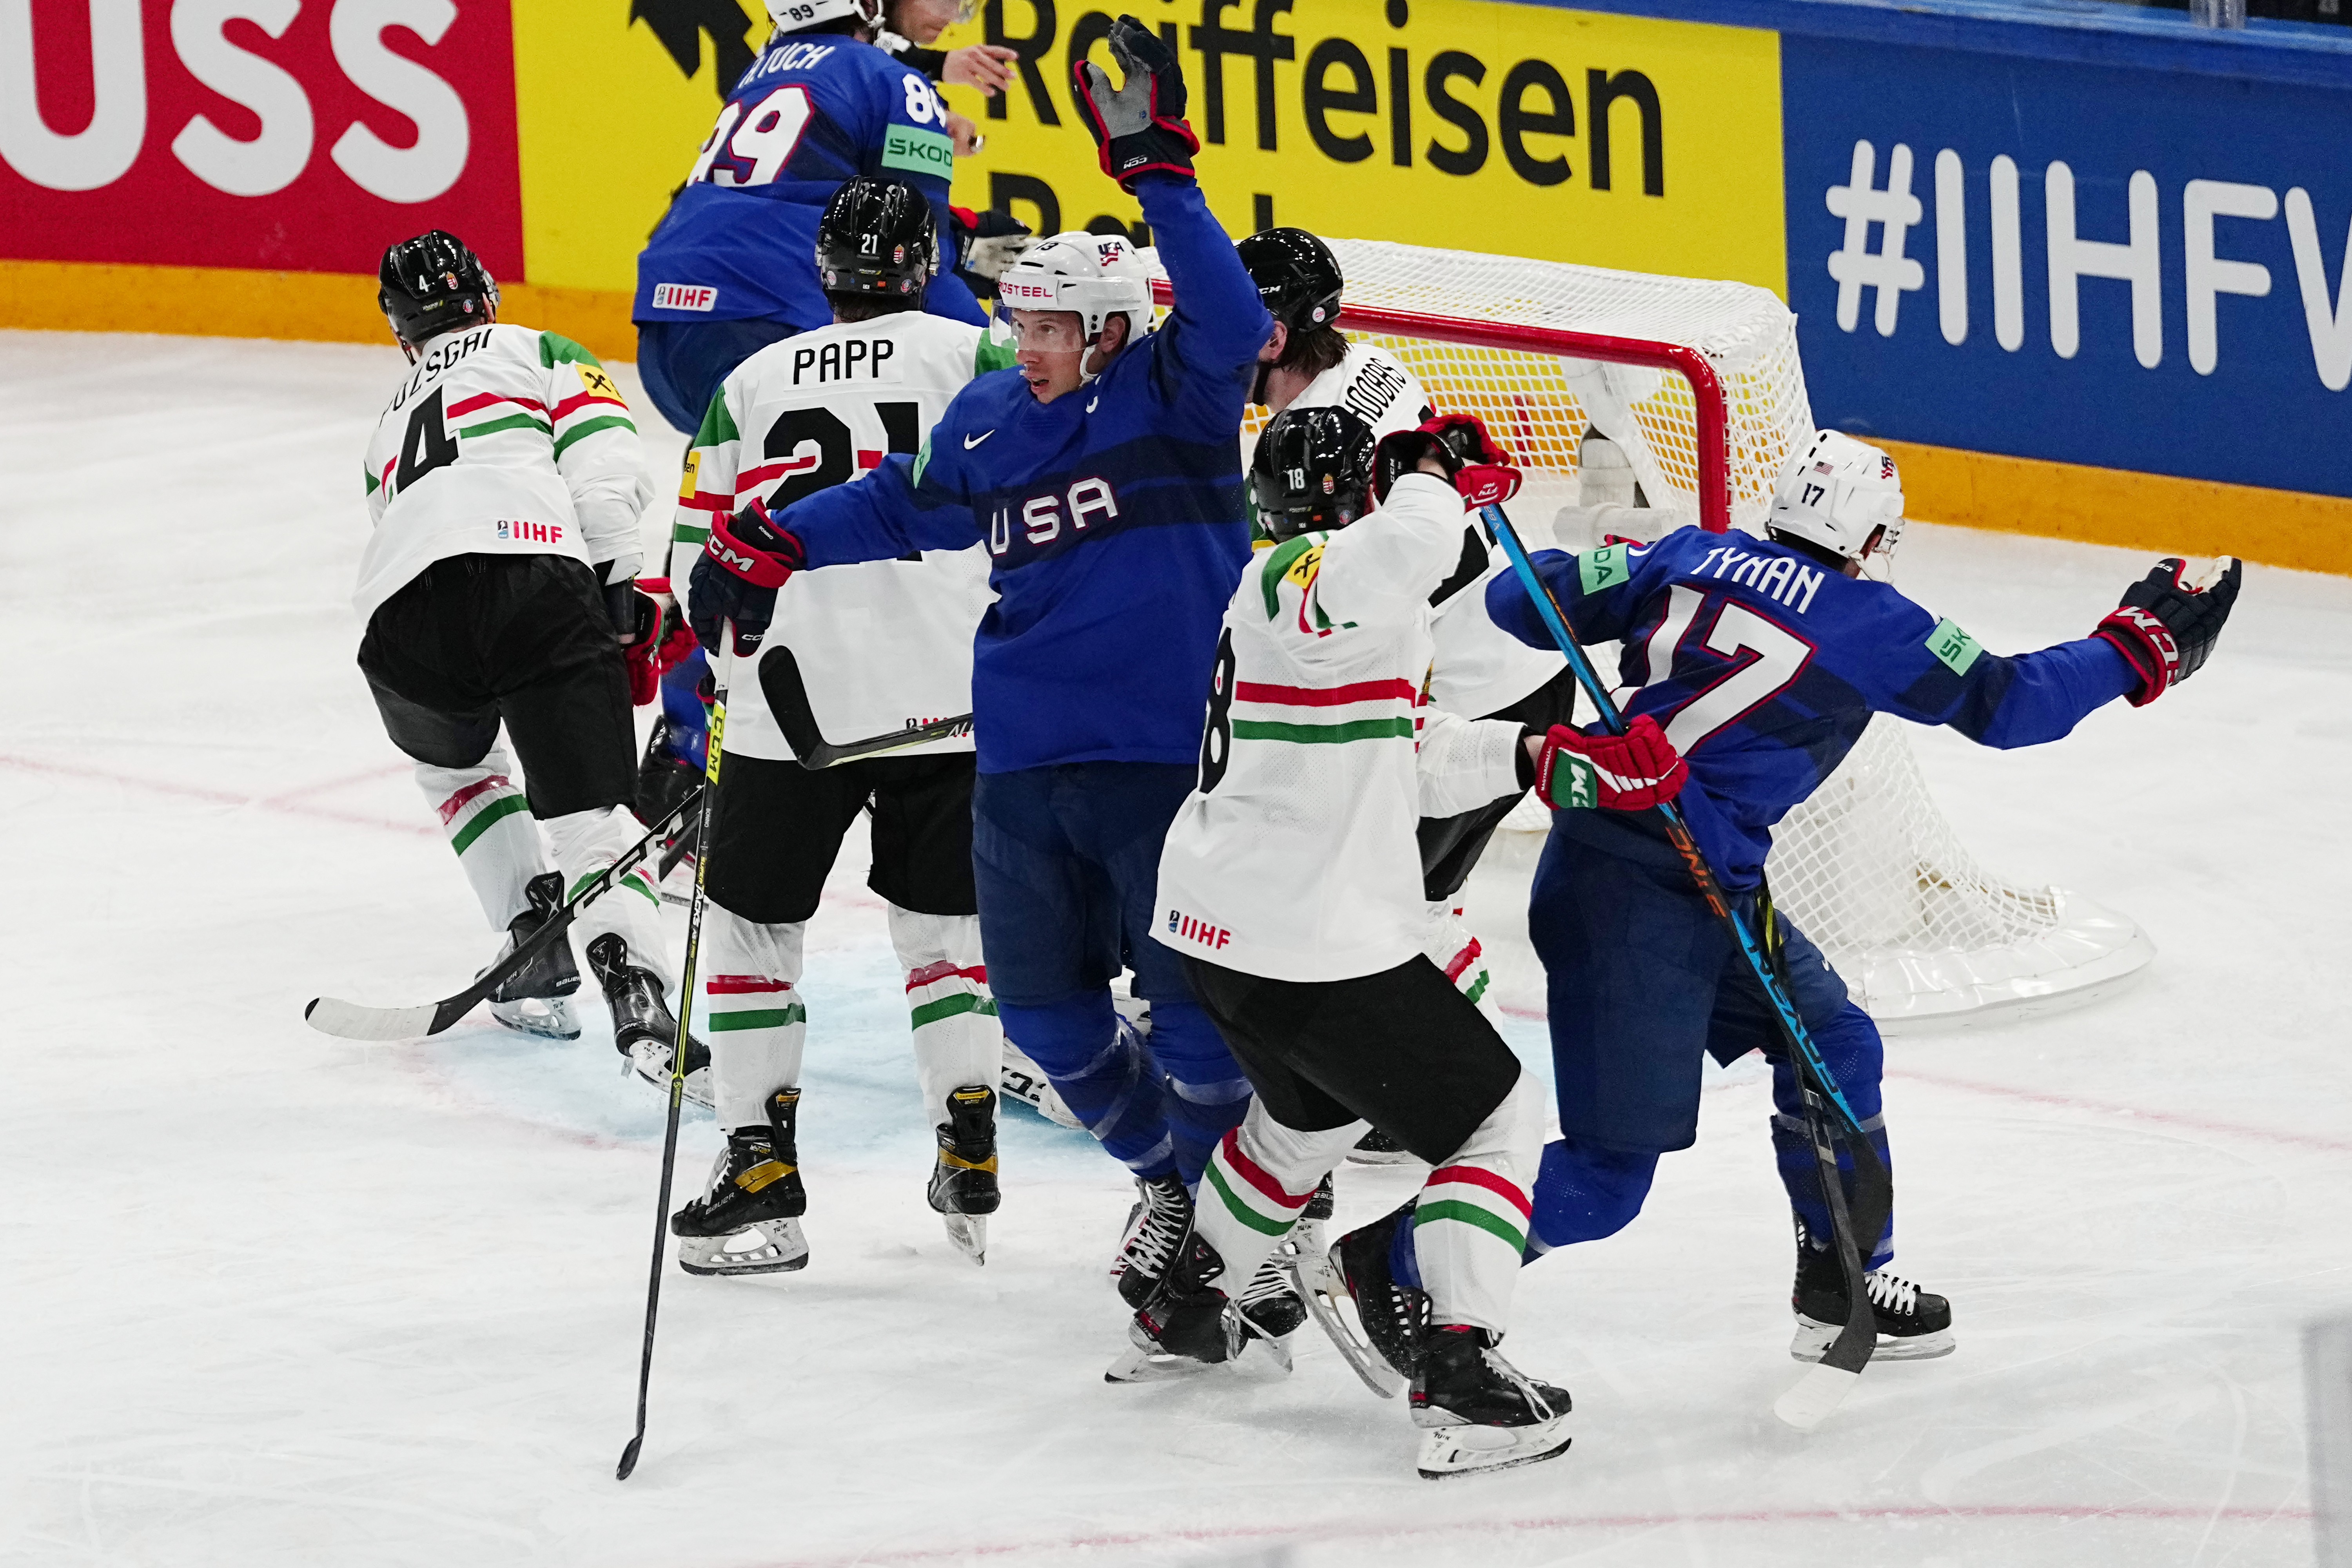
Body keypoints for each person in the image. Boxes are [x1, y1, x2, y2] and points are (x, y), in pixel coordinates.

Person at [1330, 429, 2237, 1374]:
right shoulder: (1873, 621)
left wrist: (1566, 559)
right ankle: (1388, 1258)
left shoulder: (1687, 553)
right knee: (1604, 1181)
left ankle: (1843, 1283)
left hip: (1680, 875)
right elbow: (2013, 703)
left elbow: (1520, 602)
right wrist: (2138, 648)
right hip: (1633, 899)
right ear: (1869, 539)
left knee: (1835, 1043)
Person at [687, 18, 1288, 1326]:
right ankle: (1173, 1191)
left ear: (1119, 331)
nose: (1026, 337)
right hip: (1018, 770)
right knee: (1055, 1028)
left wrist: (1158, 173)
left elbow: (1235, 318)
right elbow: (898, 507)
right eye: (1018, 315)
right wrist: (770, 536)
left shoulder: (1176, 406)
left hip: (1156, 758)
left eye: (1054, 323)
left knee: (1189, 1028)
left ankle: (1233, 1224)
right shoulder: (990, 413)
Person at [1139, 413, 1687, 1477]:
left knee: (1308, 1116)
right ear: (1356, 502)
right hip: (1305, 940)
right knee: (1498, 1115)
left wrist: (1547, 756)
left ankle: (1190, 1303)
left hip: (1232, 931)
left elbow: (1411, 751)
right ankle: (1462, 1373)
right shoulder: (1305, 575)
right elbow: (1406, 548)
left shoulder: (1333, 620)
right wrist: (1427, 478)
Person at [660, 179, 1016, 1275]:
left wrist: (695, 705)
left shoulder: (749, 382)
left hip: (791, 701)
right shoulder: (983, 354)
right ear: (926, 265)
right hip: (955, 693)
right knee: (949, 936)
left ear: (826, 275)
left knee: (754, 936)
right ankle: (967, 1127)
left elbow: (693, 567)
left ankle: (760, 1167)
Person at [353, 231, 691, 1075]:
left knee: (459, 768)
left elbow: (407, 528)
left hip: (397, 620)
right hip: (533, 574)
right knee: (589, 821)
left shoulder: (386, 424)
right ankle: (639, 995)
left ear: (402, 332)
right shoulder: (538, 348)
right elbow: (604, 467)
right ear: (487, 297)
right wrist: (616, 599)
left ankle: (530, 938)